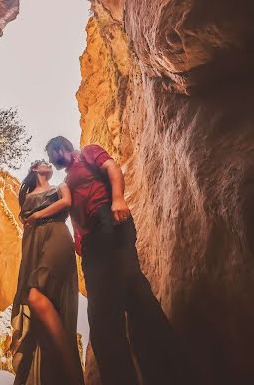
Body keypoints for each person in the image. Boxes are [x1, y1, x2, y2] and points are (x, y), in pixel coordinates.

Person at [44, 136, 194, 385]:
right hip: (93, 242)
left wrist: (118, 199)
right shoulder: (67, 180)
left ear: (61, 148)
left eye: (52, 154)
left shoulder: (87, 153)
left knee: (122, 307)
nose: (51, 160)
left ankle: (174, 373)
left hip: (109, 223)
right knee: (121, 307)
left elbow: (112, 167)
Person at [11, 159, 84, 385]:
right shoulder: (27, 194)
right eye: (43, 163)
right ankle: (68, 376)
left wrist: (37, 216)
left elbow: (67, 202)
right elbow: (26, 224)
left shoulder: (60, 186)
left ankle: (73, 371)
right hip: (33, 244)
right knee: (40, 308)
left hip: (57, 235)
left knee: (35, 295)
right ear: (34, 169)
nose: (48, 165)